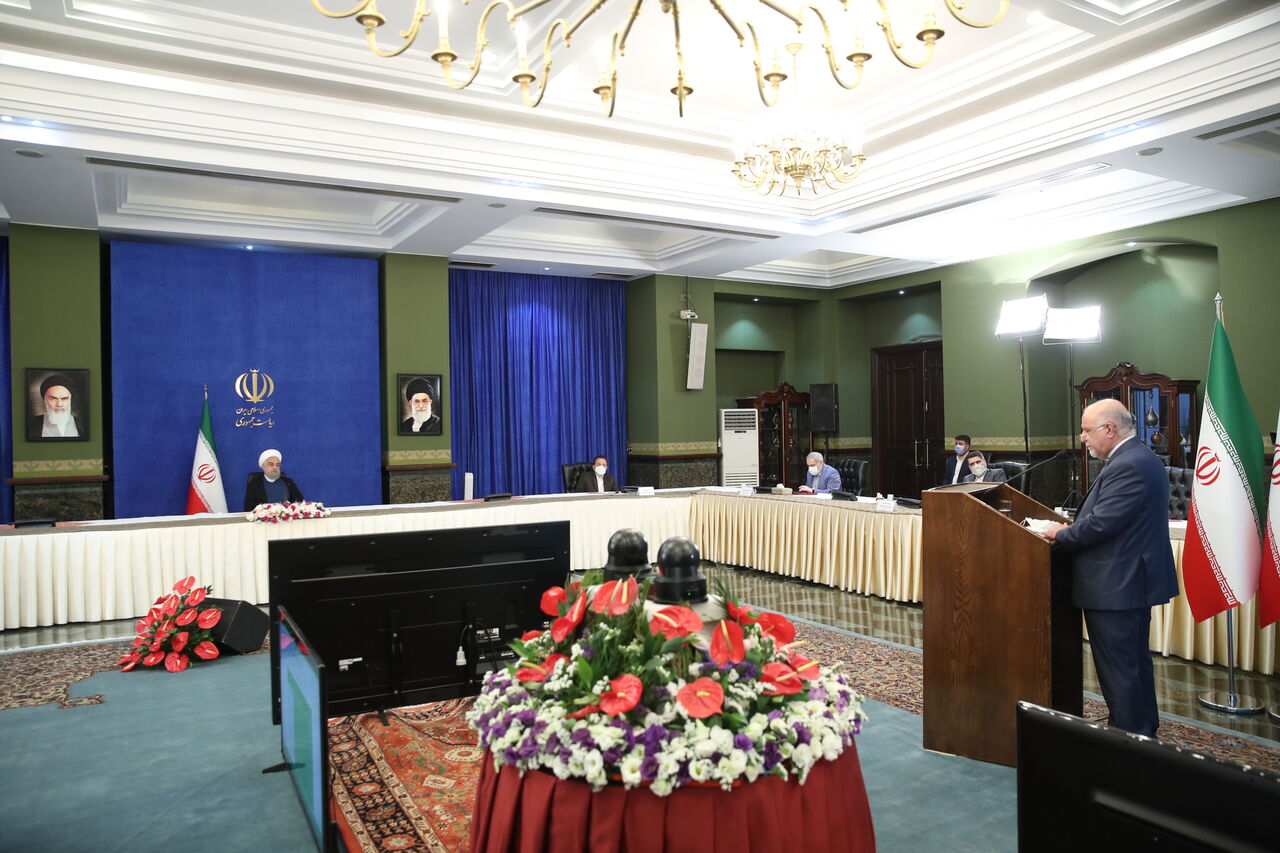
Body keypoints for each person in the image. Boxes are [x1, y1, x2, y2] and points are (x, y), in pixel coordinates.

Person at [1042, 399, 1178, 737]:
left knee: (1120, 669)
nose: (1082, 438)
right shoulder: (1138, 457)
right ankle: (1141, 731)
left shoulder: (1127, 464)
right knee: (1132, 664)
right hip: (1126, 581)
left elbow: (1102, 524)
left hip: (1118, 584)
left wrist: (1061, 533)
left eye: (1087, 430)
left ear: (1109, 429)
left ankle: (1128, 738)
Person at [29, 373, 82, 438]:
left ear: (70, 400)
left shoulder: (82, 426)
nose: (59, 404)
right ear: (45, 400)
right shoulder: (31, 425)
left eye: (64, 398)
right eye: (53, 399)